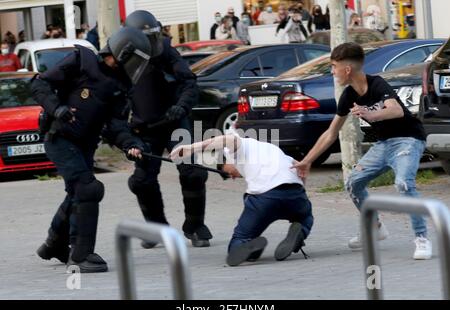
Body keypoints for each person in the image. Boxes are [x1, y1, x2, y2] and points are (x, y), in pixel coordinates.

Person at [292, 42, 432, 260]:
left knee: (403, 183)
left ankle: (422, 238)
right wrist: (307, 161)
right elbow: (331, 133)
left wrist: (371, 113)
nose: (332, 71)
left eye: (333, 66)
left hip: (408, 140)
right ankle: (375, 227)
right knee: (353, 182)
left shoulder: (377, 84)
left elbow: (395, 110)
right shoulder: (348, 96)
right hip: (385, 144)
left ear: (347, 69)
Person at [31, 27, 151, 273]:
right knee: (88, 188)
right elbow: (39, 85)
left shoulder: (120, 86)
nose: (135, 66)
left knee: (78, 193)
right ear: (122, 52)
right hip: (60, 137)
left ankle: (54, 243)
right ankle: (80, 255)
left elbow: (116, 125)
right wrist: (58, 109)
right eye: (134, 59)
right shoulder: (81, 60)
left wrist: (131, 145)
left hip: (85, 144)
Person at [124, 10, 213, 248]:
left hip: (175, 122)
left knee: (193, 172)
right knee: (142, 180)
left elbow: (189, 83)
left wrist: (181, 106)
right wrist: (123, 132)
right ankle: (156, 228)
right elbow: (113, 96)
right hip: (145, 127)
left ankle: (195, 226)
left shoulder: (166, 51)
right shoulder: (122, 56)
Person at [170, 133, 314, 267]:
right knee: (306, 217)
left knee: (236, 244)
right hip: (296, 195)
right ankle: (300, 231)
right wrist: (301, 195)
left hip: (264, 200)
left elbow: (229, 139)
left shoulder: (240, 148)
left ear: (228, 157)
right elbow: (300, 167)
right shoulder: (271, 149)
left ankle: (249, 248)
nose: (231, 176)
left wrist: (191, 148)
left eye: (226, 173)